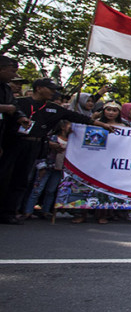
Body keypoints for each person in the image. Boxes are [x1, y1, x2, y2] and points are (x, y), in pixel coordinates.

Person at [1, 79, 112, 225]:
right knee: (4, 176)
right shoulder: (19, 103)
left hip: (34, 145)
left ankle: (9, 213)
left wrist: (102, 124)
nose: (54, 92)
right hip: (13, 143)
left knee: (21, 180)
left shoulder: (55, 108)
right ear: (39, 88)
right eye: (51, 89)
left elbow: (78, 117)